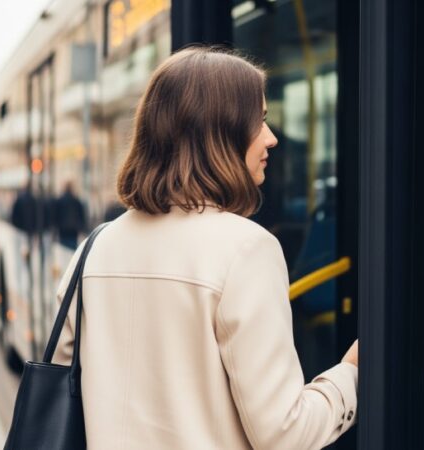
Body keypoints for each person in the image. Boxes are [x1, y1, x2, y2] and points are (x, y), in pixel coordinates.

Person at [51, 47, 358, 449]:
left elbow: (68, 383)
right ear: (219, 133)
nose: (272, 137)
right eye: (260, 121)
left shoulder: (94, 249)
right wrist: (351, 374)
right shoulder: (247, 250)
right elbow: (285, 434)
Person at [52, 181, 87, 250]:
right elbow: (81, 215)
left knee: (64, 249)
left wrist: (55, 228)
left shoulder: (60, 201)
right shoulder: (76, 201)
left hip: (63, 231)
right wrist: (82, 228)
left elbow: (55, 216)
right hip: (73, 230)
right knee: (72, 250)